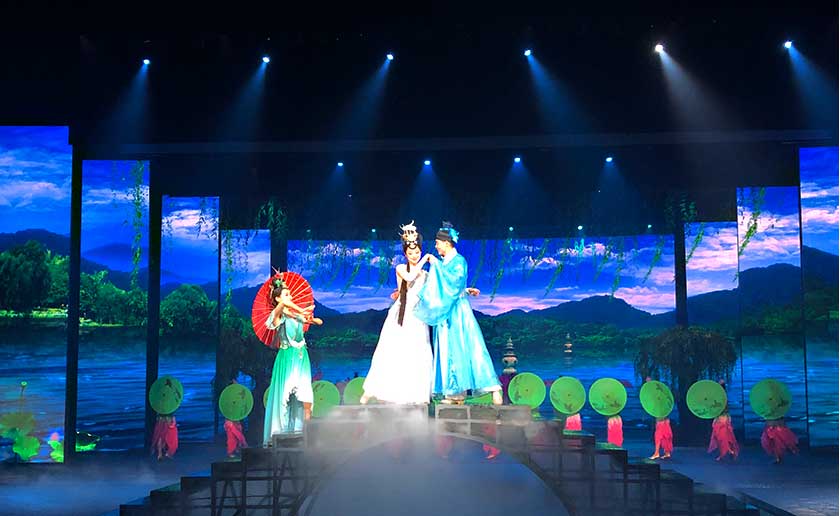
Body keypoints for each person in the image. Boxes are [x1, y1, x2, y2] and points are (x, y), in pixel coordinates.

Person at [415, 221, 502, 405]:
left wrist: (436, 265)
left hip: (457, 312)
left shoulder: (459, 261)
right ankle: (455, 394)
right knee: (449, 351)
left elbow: (453, 283)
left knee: (471, 347)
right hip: (444, 311)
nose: (436, 246)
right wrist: (465, 289)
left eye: (438, 243)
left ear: (446, 243)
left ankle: (494, 388)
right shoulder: (445, 262)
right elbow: (445, 286)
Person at [361, 221, 434, 405]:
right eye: (411, 253)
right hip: (403, 314)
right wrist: (425, 259)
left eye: (417, 253)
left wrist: (464, 291)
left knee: (417, 353)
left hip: (418, 316)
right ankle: (371, 391)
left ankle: (415, 394)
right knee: (392, 352)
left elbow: (437, 290)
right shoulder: (401, 268)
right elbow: (410, 277)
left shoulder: (425, 275)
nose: (415, 256)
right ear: (405, 254)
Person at [263, 275, 323, 444]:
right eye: (286, 294)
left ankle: (304, 435)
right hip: (287, 358)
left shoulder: (296, 316)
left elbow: (319, 322)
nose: (290, 297)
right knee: (284, 396)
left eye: (290, 294)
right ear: (278, 298)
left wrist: (310, 318)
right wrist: (299, 309)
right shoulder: (277, 315)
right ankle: (278, 435)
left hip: (302, 357)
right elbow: (282, 306)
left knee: (306, 396)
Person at [708, 380, 739, 461]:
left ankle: (728, 451)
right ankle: (726, 452)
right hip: (720, 417)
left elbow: (722, 407)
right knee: (720, 437)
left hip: (723, 418)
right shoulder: (719, 396)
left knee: (723, 437)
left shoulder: (722, 396)